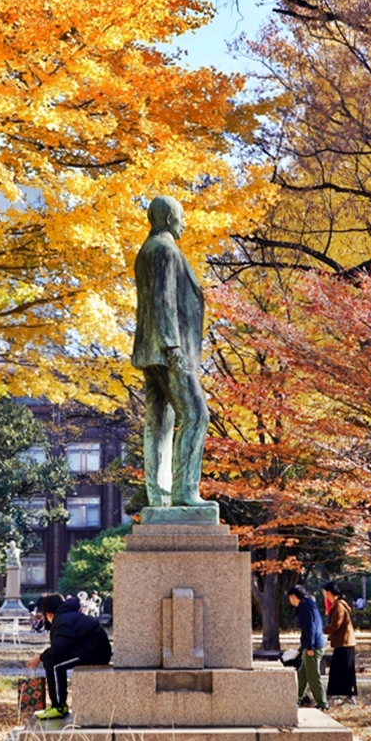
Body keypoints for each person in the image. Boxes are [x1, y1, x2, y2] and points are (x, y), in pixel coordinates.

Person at [132, 195, 211, 509]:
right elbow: (162, 298)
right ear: (167, 218)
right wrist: (172, 344)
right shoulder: (164, 249)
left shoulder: (147, 250)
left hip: (152, 350)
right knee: (196, 415)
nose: (185, 222)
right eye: (181, 216)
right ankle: (184, 491)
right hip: (167, 349)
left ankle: (159, 494)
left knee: (159, 423)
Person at [26, 592, 112, 720]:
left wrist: (39, 658)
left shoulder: (62, 620)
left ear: (49, 613)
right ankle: (60, 704)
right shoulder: (68, 615)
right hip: (94, 650)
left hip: (94, 653)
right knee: (53, 661)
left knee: (53, 664)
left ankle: (58, 706)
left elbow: (59, 648)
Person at [288, 585, 327, 711]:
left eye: (290, 598)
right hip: (315, 643)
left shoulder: (304, 606)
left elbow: (309, 627)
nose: (290, 601)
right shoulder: (310, 604)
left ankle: (322, 703)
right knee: (302, 675)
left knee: (313, 676)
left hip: (313, 646)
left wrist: (309, 646)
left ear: (294, 596)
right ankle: (295, 699)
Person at [322, 581, 357, 706]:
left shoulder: (338, 606)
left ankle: (348, 696)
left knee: (343, 671)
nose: (324, 595)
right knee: (339, 671)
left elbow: (336, 624)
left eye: (324, 592)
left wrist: (322, 630)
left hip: (344, 644)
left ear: (329, 592)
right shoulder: (338, 604)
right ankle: (337, 695)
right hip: (343, 643)